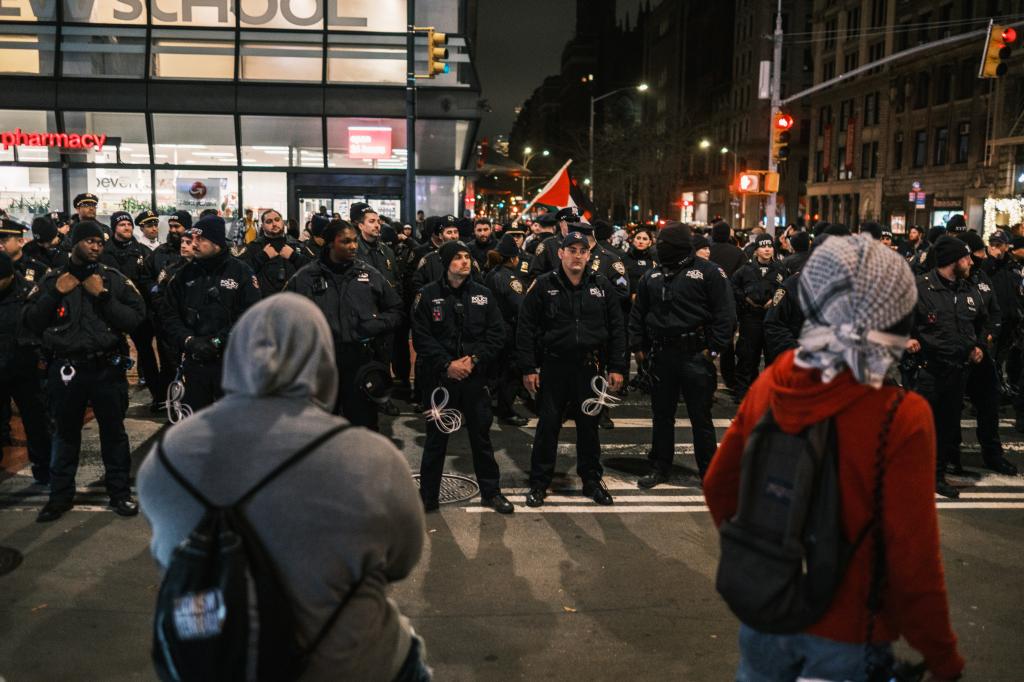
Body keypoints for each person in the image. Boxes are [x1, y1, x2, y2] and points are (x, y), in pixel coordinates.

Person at [704, 233, 965, 682]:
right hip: (849, 628)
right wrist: (941, 655)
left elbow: (718, 486)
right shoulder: (901, 413)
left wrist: (764, 556)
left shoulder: (774, 382)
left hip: (767, 614)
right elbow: (912, 554)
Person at [138, 292, 430, 681]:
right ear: (322, 360)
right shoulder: (371, 456)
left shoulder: (169, 454)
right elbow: (401, 560)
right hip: (349, 663)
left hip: (218, 660)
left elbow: (167, 558)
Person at [23, 220, 146, 522]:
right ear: (75, 243)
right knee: (64, 435)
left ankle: (119, 492)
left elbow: (135, 319)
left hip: (105, 368)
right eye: (89, 241)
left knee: (114, 434)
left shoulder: (113, 280)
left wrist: (102, 296)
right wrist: (55, 293)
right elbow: (30, 321)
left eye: (100, 242)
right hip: (66, 370)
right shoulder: (53, 279)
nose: (96, 247)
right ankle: (60, 496)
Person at [516, 230, 628, 507]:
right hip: (554, 367)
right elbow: (525, 328)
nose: (577, 255)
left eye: (582, 251)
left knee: (588, 428)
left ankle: (592, 480)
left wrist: (617, 366)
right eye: (572, 250)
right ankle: (540, 483)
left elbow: (617, 328)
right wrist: (528, 367)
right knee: (548, 426)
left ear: (589, 255)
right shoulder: (543, 285)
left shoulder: (601, 285)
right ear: (561, 253)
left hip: (589, 368)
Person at [629, 224, 736, 485]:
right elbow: (638, 314)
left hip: (696, 356)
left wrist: (712, 351)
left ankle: (709, 471)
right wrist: (639, 349)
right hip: (662, 355)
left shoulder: (708, 272)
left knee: (701, 417)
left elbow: (726, 314)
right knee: (662, 416)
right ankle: (659, 467)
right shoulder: (653, 276)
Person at [412, 240, 513, 513]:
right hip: (441, 379)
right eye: (457, 257)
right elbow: (421, 337)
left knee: (481, 438)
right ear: (446, 263)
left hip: (474, 378)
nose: (465, 262)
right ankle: (428, 496)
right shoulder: (427, 294)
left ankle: (491, 493)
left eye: (467, 257)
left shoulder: (483, 294)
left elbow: (497, 333)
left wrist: (474, 360)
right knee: (436, 440)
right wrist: (447, 365)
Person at [286, 220, 403, 431]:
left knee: (363, 430)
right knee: (318, 432)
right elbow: (283, 317)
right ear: (330, 243)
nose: (353, 246)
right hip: (320, 365)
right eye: (345, 241)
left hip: (360, 363)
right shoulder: (305, 277)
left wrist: (375, 325)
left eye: (354, 241)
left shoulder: (369, 275)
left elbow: (397, 310)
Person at [906, 236, 988, 499]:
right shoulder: (919, 288)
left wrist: (979, 348)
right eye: (966, 258)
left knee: (947, 427)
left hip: (958, 371)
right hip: (927, 370)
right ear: (953, 261)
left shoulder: (967, 290)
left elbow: (980, 324)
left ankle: (936, 476)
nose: (971, 262)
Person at [161, 215, 261, 411]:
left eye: (201, 239)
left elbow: (251, 315)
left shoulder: (241, 272)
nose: (194, 244)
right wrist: (189, 341)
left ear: (216, 241)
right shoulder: (183, 275)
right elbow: (169, 315)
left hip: (232, 363)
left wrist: (218, 341)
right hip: (195, 362)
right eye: (192, 239)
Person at [957, 231, 1017, 475]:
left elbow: (994, 313)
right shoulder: (945, 281)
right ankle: (950, 458)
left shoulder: (981, 278)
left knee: (989, 406)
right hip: (957, 355)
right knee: (950, 411)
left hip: (982, 354)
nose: (978, 258)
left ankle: (993, 455)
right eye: (977, 252)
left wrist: (984, 343)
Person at [0, 252, 51, 484]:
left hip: (25, 369)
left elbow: (44, 327)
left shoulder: (30, 292)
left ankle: (44, 469)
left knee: (37, 422)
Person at [104, 210, 160, 407]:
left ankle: (158, 396)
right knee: (115, 352)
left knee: (146, 353)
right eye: (121, 225)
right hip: (111, 310)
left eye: (129, 224)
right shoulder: (104, 251)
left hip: (138, 311)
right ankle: (117, 396)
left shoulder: (143, 252)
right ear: (114, 228)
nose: (126, 227)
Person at [732, 236, 786, 401]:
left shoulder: (780, 269)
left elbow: (787, 288)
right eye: (763, 247)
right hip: (751, 319)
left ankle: (770, 392)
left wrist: (775, 299)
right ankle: (743, 392)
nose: (767, 249)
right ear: (756, 249)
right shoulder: (745, 269)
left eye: (770, 246)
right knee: (747, 356)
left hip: (772, 320)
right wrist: (745, 299)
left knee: (773, 357)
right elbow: (733, 287)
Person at [483, 233, 529, 426]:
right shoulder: (510, 279)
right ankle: (506, 411)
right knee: (510, 373)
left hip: (491, 330)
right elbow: (521, 307)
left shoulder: (491, 273)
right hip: (508, 331)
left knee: (493, 372)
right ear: (513, 258)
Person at [709, 221, 747, 392]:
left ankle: (707, 378)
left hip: (707, 301)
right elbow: (744, 278)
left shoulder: (707, 250)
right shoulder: (738, 253)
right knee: (727, 343)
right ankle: (729, 377)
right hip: (729, 302)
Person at [241, 209, 309, 295]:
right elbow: (240, 271)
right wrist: (262, 256)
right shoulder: (254, 246)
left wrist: (294, 257)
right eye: (269, 221)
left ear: (282, 222)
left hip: (293, 300)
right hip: (263, 302)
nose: (274, 224)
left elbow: (313, 268)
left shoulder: (297, 245)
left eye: (277, 220)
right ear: (262, 226)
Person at [624, 225, 657, 295]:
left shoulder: (654, 260)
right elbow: (619, 279)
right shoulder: (624, 258)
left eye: (645, 239)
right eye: (638, 238)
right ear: (633, 240)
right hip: (627, 300)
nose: (641, 241)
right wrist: (630, 292)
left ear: (650, 242)